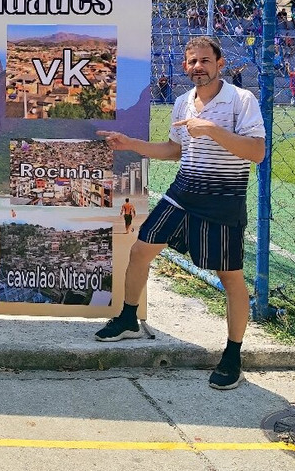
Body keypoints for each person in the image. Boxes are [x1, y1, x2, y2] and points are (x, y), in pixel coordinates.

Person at [95, 36, 266, 390]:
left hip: (223, 198)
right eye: (192, 62)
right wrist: (130, 144)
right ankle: (128, 319)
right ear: (185, 66)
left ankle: (233, 355)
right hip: (182, 192)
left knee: (230, 277)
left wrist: (213, 130)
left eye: (205, 60)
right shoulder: (182, 102)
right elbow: (175, 150)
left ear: (220, 64)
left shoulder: (241, 100)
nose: (198, 67)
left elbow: (257, 153)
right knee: (141, 249)